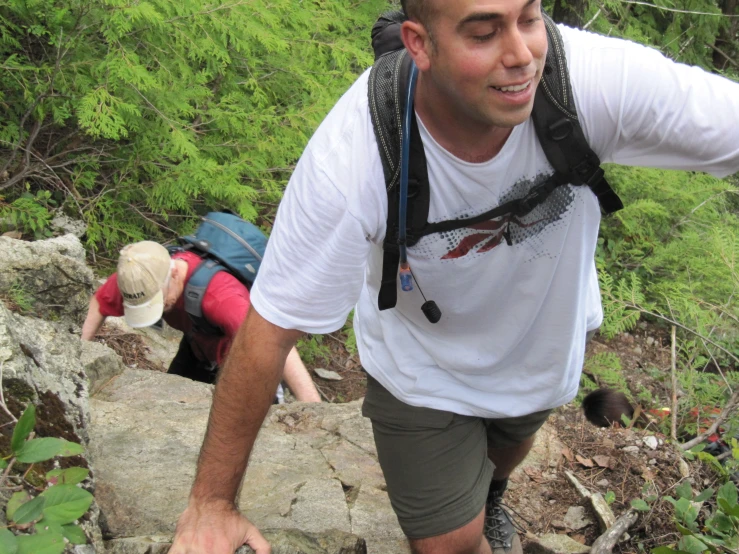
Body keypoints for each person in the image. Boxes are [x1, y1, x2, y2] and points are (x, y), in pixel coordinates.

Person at [169, 0, 739, 552]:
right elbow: (269, 328)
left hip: (540, 341)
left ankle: (492, 494)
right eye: (483, 32)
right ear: (420, 43)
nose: (521, 54)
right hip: (422, 362)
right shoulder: (356, 155)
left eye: (529, 17)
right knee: (448, 543)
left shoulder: (587, 84)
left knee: (510, 442)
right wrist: (211, 506)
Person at [81, 241, 321, 403]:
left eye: (157, 301)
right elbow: (100, 303)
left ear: (174, 272)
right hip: (198, 348)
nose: (155, 309)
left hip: (244, 359)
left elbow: (274, 343)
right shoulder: (139, 277)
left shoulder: (220, 298)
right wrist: (77, 363)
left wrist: (313, 408)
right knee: (171, 405)